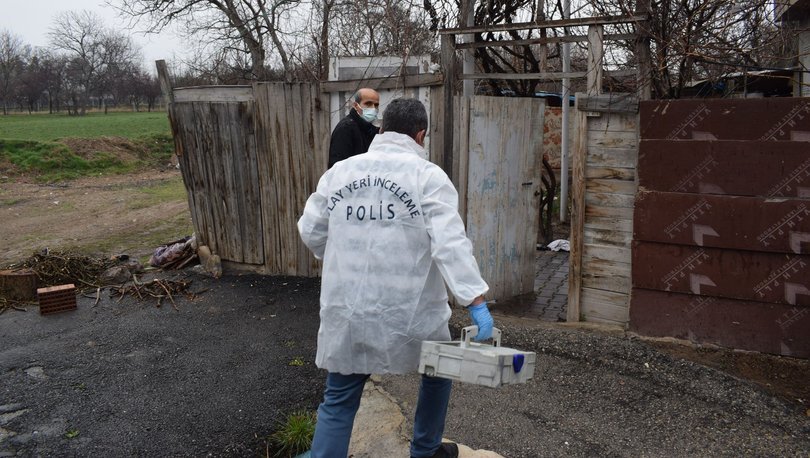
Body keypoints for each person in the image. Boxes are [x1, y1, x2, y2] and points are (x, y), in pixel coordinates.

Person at [297, 98, 495, 458]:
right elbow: (450, 244)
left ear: (382, 128)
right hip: (410, 312)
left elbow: (311, 230)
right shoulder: (427, 177)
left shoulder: (340, 173)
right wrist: (475, 300)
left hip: (349, 307)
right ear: (421, 135)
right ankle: (425, 451)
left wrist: (344, 254)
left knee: (339, 396)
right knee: (437, 369)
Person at [328, 88, 380, 168]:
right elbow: (337, 167)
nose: (373, 108)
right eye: (368, 104)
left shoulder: (370, 128)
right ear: (356, 105)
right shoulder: (345, 129)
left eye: (376, 105)